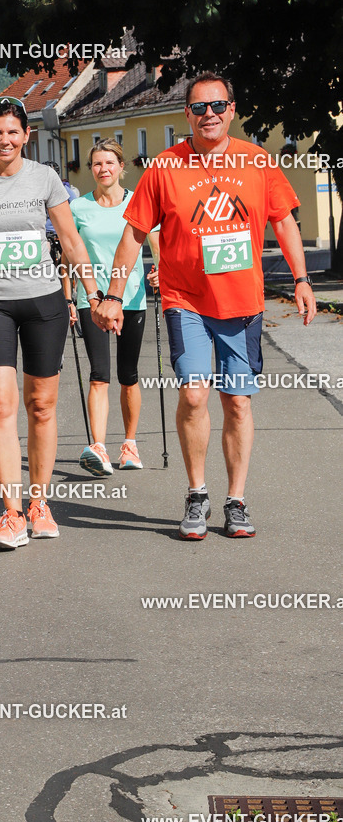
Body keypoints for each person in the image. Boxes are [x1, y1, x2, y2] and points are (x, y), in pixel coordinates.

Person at [92, 72, 317, 539]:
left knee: (236, 402)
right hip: (184, 299)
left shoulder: (257, 161)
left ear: (232, 110)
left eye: (217, 106)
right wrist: (114, 294)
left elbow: (285, 221)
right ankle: (197, 493)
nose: (208, 114)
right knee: (194, 394)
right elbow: (135, 233)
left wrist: (301, 278)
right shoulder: (166, 167)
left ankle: (235, 500)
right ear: (187, 114)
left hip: (243, 304)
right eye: (198, 108)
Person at [0, 95, 96, 551]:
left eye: (13, 131)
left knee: (42, 406)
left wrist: (98, 295)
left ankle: (39, 503)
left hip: (44, 302)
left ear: (27, 135)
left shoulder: (45, 178)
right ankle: (11, 514)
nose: (4, 139)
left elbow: (70, 240)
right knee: (1, 405)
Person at [64, 140, 159, 475]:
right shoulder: (78, 209)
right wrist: (68, 297)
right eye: (96, 164)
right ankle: (99, 447)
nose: (103, 169)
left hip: (131, 298)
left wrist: (159, 272)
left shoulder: (139, 203)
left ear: (122, 166)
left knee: (128, 375)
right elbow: (69, 257)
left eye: (109, 163)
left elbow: (156, 245)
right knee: (99, 375)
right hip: (91, 300)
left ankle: (129, 445)